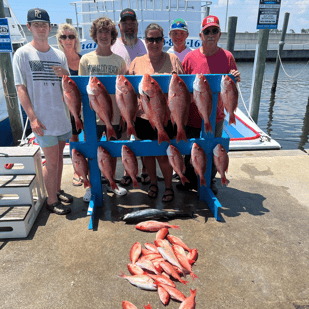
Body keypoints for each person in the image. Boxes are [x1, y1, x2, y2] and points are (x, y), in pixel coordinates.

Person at [13, 8, 73, 215]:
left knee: (59, 161)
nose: (40, 28)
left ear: (50, 27)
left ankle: (56, 190)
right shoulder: (22, 54)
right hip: (43, 121)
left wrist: (66, 73)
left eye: (44, 24)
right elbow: (20, 88)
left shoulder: (59, 55)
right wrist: (32, 119)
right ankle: (51, 200)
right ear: (29, 27)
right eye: (36, 24)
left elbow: (67, 85)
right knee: (52, 161)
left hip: (62, 118)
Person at [180, 15, 241, 195]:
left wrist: (235, 77)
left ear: (220, 34)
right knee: (191, 150)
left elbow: (232, 85)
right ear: (201, 35)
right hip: (192, 114)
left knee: (214, 150)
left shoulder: (228, 56)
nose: (211, 34)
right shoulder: (189, 58)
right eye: (207, 31)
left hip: (217, 115)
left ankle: (210, 180)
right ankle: (190, 179)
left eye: (215, 31)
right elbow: (183, 87)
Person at [129, 23, 184, 203]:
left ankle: (168, 186)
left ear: (163, 40)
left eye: (158, 39)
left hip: (165, 116)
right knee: (148, 153)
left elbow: (183, 89)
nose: (154, 43)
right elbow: (128, 91)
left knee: (163, 153)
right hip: (143, 117)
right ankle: (153, 182)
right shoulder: (137, 62)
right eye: (150, 39)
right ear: (145, 41)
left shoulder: (173, 59)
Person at [78, 16, 128, 201]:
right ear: (95, 35)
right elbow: (82, 90)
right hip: (92, 116)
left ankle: (112, 181)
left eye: (107, 32)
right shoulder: (86, 60)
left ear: (113, 35)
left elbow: (125, 93)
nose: (104, 35)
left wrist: (123, 115)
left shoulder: (120, 61)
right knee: (91, 152)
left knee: (111, 151)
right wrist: (82, 116)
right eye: (100, 32)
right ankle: (92, 185)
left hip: (113, 116)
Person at [111, 8, 149, 186]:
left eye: (132, 23)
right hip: (122, 98)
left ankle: (144, 170)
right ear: (119, 26)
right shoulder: (114, 46)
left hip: (141, 99)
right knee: (126, 136)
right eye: (125, 23)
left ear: (137, 25)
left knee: (141, 134)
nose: (129, 26)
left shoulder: (144, 45)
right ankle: (128, 171)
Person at [56, 23, 83, 187]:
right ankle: (76, 170)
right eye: (64, 36)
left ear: (76, 39)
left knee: (88, 139)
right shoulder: (57, 60)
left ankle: (90, 166)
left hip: (85, 106)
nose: (68, 40)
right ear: (59, 39)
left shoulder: (82, 59)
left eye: (71, 36)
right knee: (74, 140)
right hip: (68, 108)